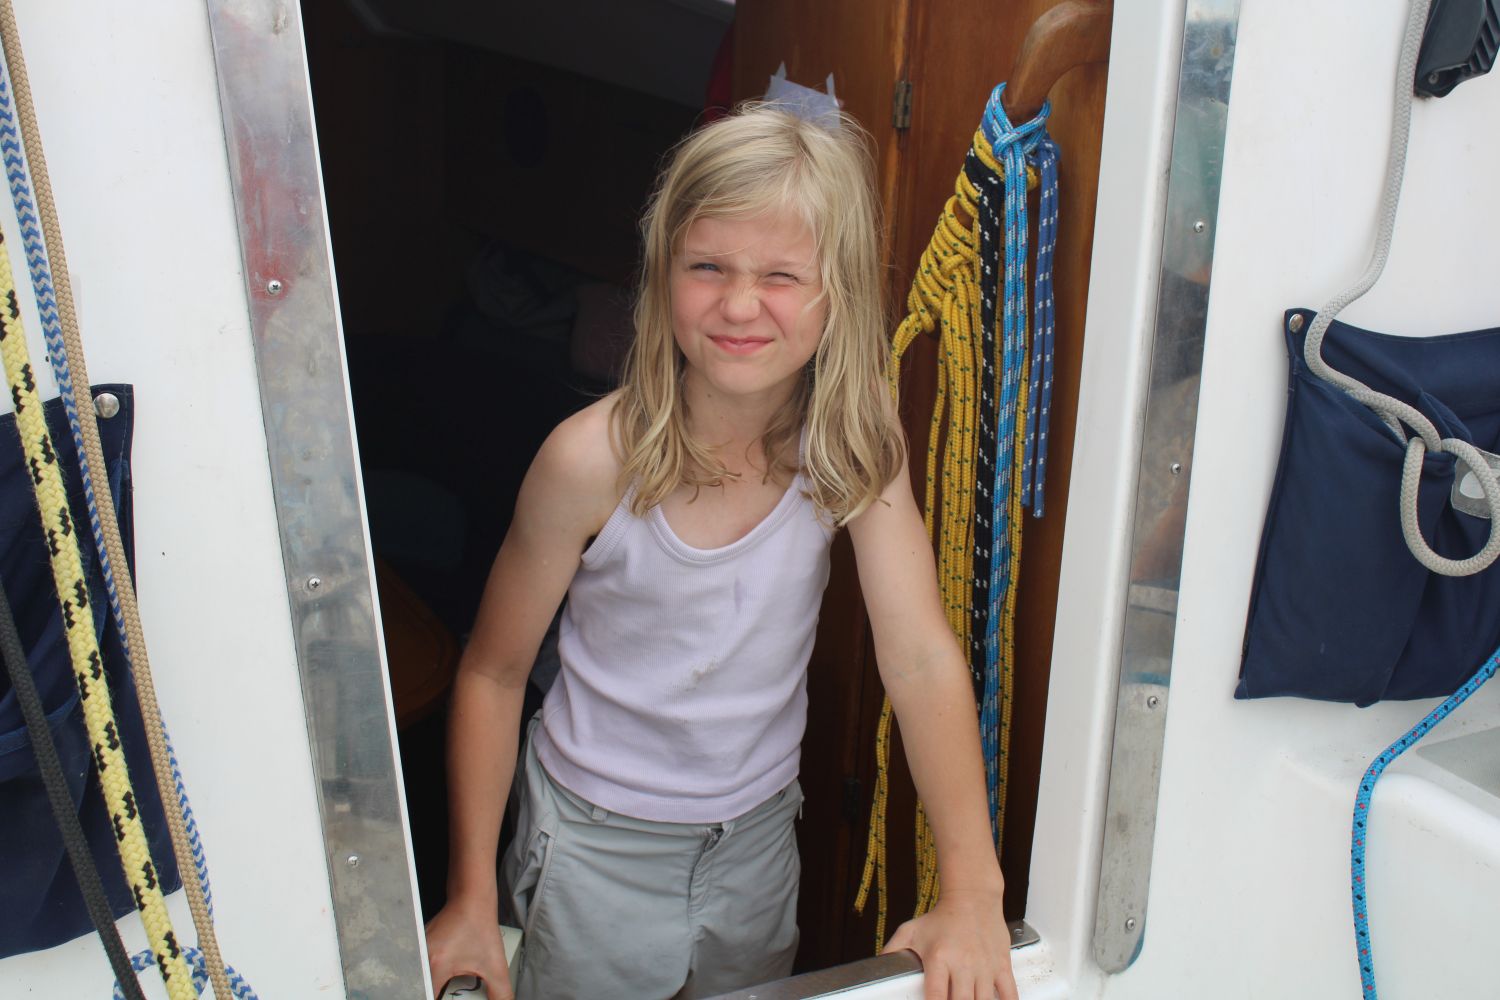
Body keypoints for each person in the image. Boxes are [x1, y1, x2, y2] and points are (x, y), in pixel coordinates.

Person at [425, 104, 1020, 1000]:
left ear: (838, 292)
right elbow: (493, 673)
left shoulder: (854, 446)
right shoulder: (588, 461)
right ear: (662, 274)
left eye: (782, 275)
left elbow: (920, 658)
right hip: (591, 849)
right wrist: (471, 898)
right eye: (708, 267)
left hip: (757, 845)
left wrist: (973, 892)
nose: (740, 305)